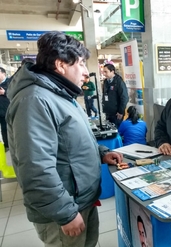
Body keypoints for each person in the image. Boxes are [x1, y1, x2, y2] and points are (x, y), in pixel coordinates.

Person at [5, 31, 123, 247]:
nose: (87, 73)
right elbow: (35, 168)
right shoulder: (35, 100)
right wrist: (65, 214)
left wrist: (102, 153)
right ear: (60, 65)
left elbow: (71, 142)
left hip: (79, 201)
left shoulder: (59, 94)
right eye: (81, 64)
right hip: (65, 208)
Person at [102, 64, 128, 128]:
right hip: (108, 112)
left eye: (106, 72)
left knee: (116, 131)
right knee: (109, 131)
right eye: (103, 72)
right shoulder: (106, 82)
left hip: (117, 114)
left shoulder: (119, 82)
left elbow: (124, 98)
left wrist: (120, 112)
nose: (104, 74)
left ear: (112, 72)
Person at [0, 67, 10, 151]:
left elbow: (15, 94)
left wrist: (5, 92)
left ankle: (7, 146)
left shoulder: (10, 82)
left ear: (4, 73)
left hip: (6, 110)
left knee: (5, 129)